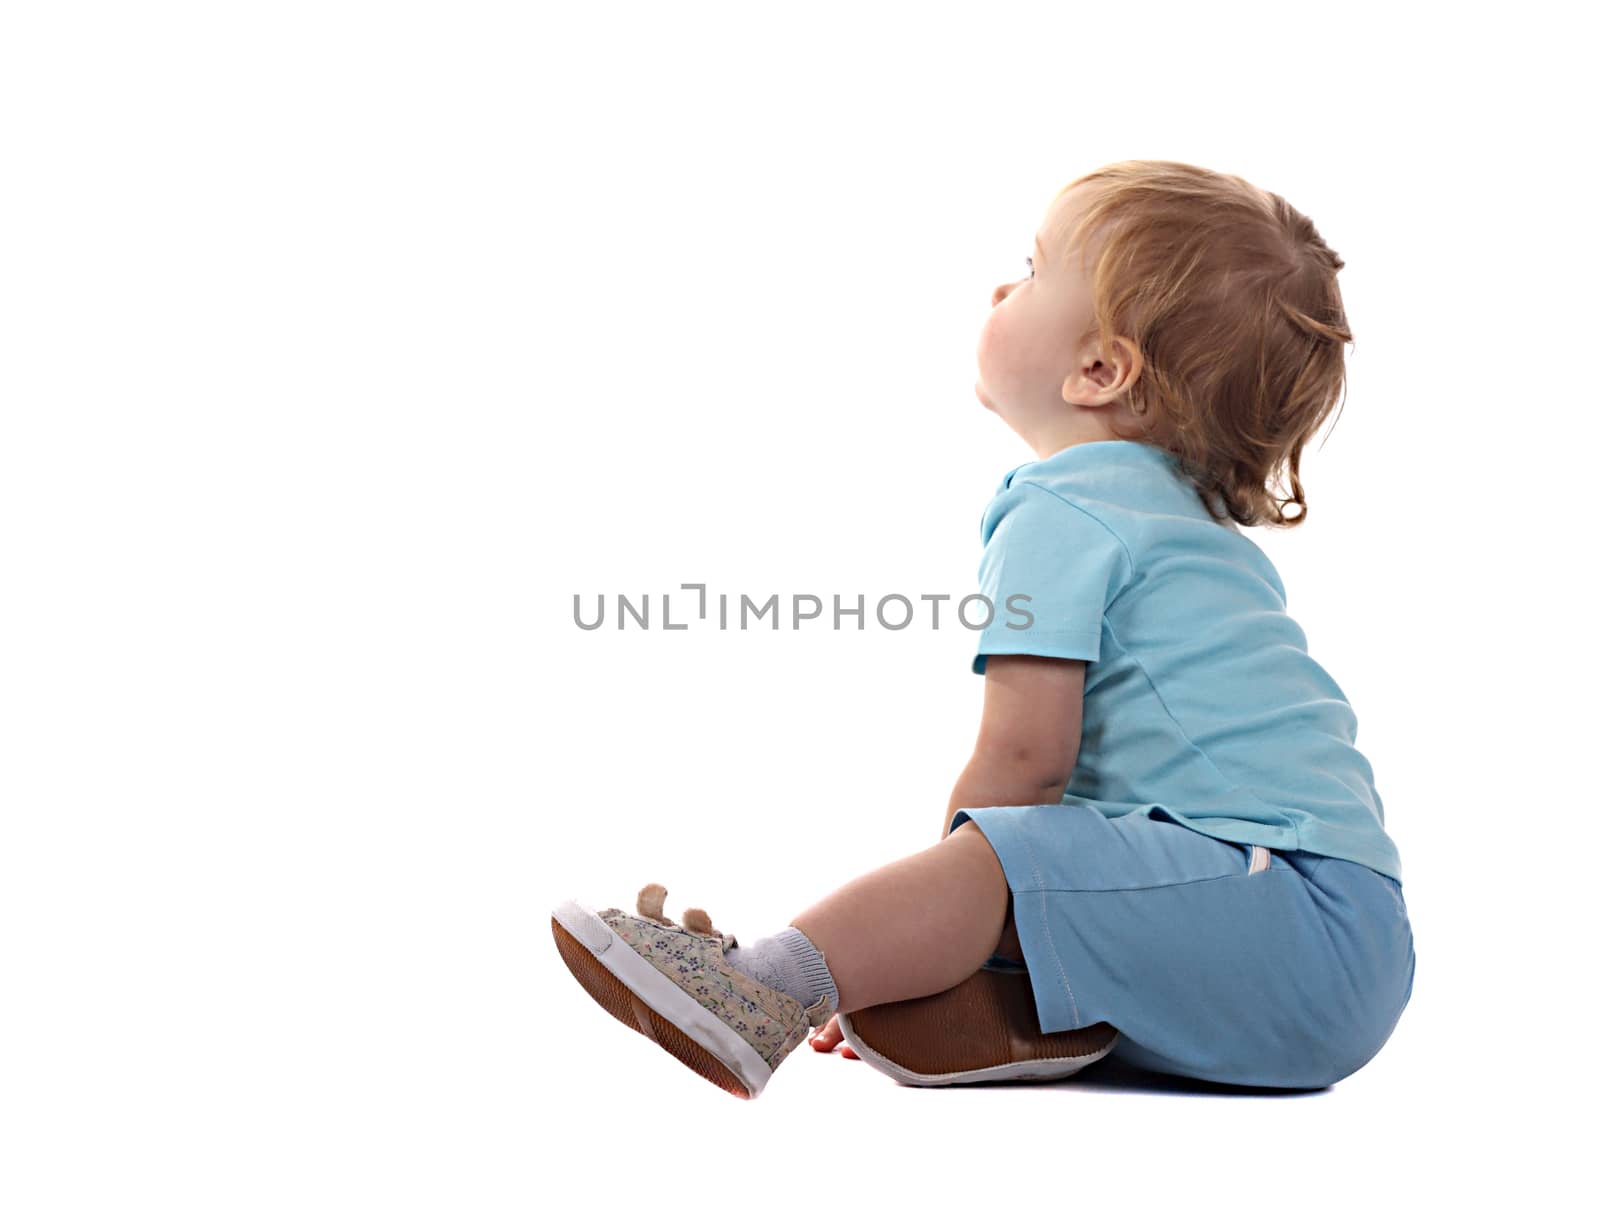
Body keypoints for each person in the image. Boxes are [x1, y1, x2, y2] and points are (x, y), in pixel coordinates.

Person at [551, 159, 1416, 1099]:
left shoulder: (1065, 506)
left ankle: (765, 989)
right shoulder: (1178, 517)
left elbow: (1023, 763)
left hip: (1283, 906)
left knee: (1003, 851)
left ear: (1099, 369)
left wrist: (905, 939)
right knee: (1073, 856)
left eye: (1035, 269)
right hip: (1336, 944)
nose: (1003, 288)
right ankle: (1046, 1014)